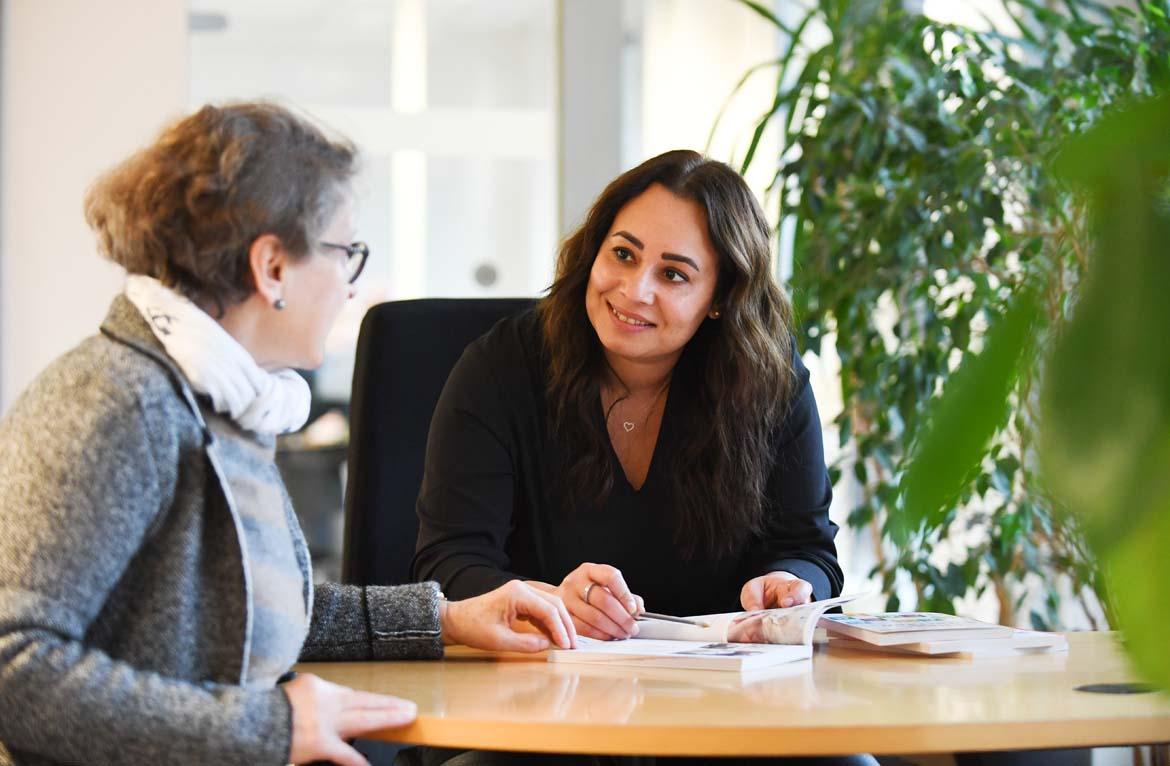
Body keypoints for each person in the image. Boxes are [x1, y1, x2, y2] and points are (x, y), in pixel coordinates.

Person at [0, 102, 575, 766]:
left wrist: (445, 619)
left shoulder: (221, 401)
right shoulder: (118, 400)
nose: (350, 288)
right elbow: (15, 671)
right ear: (272, 267)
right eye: (344, 253)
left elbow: (254, 613)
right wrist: (267, 727)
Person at [411, 151, 872, 766]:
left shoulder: (770, 383)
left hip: (726, 718)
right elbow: (448, 562)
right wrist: (541, 600)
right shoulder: (500, 369)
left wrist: (792, 589)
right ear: (593, 251)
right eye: (623, 254)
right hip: (532, 714)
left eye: (675, 274)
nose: (634, 290)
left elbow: (809, 550)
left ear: (719, 298)